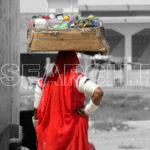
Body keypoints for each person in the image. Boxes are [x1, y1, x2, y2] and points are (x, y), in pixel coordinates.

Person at [32, 51, 103, 150]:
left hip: (49, 136)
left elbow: (36, 112)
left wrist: (38, 131)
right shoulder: (77, 79)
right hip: (72, 135)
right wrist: (87, 110)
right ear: (74, 61)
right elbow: (98, 92)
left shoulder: (42, 82)